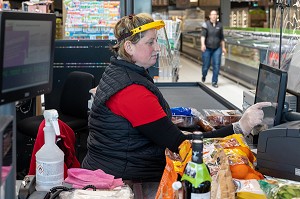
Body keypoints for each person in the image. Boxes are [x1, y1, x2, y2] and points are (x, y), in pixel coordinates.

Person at [82, 13, 271, 197]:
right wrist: (240, 127)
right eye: (150, 42)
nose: (157, 48)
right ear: (129, 47)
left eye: (156, 41)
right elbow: (181, 144)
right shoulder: (131, 90)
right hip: (127, 181)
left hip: (112, 167)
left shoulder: (119, 71)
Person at [201, 10, 227, 88]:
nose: (214, 16)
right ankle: (204, 74)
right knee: (206, 65)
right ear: (210, 16)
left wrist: (223, 47)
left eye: (215, 15)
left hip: (217, 48)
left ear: (217, 16)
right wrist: (203, 45)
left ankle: (214, 81)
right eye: (212, 15)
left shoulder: (220, 25)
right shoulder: (206, 25)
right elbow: (203, 36)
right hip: (207, 48)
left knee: (216, 65)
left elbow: (222, 37)